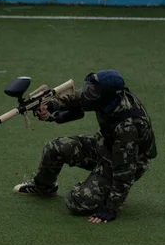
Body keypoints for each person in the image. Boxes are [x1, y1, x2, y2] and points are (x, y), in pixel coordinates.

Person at [14, 70, 157, 224]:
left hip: (129, 161)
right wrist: (51, 105)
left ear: (106, 95)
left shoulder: (127, 127)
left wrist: (111, 208)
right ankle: (43, 187)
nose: (88, 94)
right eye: (89, 88)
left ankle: (102, 194)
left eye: (93, 91)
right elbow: (77, 97)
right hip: (106, 144)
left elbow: (125, 172)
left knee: (77, 202)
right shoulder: (106, 97)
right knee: (54, 148)